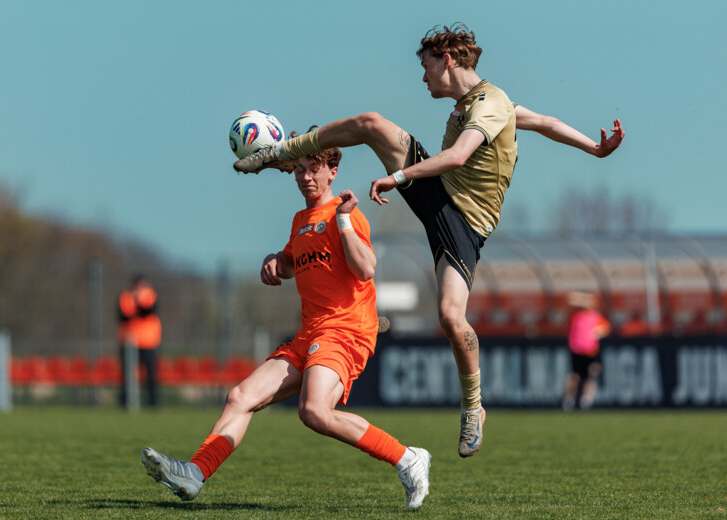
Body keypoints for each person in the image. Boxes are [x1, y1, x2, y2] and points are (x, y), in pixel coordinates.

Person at [233, 23, 625, 459]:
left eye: (426, 67)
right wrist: (594, 147)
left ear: (448, 61)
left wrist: (397, 177)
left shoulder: (491, 104)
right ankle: (282, 152)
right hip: (439, 193)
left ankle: (473, 405)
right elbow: (545, 122)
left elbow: (457, 156)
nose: (422, 78)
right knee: (372, 123)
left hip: (463, 221)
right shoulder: (472, 104)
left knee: (450, 317)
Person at [142, 148, 432, 508]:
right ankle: (194, 474)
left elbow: (366, 269)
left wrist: (342, 220)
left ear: (332, 173)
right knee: (240, 397)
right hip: (309, 334)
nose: (306, 177)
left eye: (314, 170)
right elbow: (294, 261)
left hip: (345, 330)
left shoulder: (347, 213)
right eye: (299, 170)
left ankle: (408, 458)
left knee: (314, 411)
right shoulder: (300, 220)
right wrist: (275, 261)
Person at [562, 292, 611, 410]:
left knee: (592, 373)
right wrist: (580, 299)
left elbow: (606, 328)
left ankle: (586, 401)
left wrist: (597, 333)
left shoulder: (596, 317)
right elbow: (568, 301)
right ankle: (569, 400)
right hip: (577, 350)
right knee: (574, 376)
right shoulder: (575, 316)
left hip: (591, 350)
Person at [118, 275, 162, 408]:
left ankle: (152, 403)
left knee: (150, 374)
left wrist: (137, 302)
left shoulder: (150, 296)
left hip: (148, 341)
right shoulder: (126, 297)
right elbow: (123, 316)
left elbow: (148, 311)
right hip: (130, 341)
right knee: (127, 374)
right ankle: (126, 402)